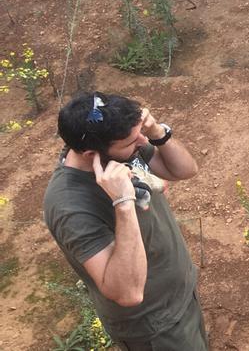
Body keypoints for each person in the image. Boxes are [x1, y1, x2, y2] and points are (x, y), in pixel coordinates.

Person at [44, 92, 206, 349]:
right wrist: (123, 202)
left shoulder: (122, 148)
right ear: (90, 154)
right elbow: (126, 292)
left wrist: (157, 133)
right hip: (154, 326)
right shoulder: (69, 207)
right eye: (133, 140)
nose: (141, 141)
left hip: (180, 296)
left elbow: (185, 170)